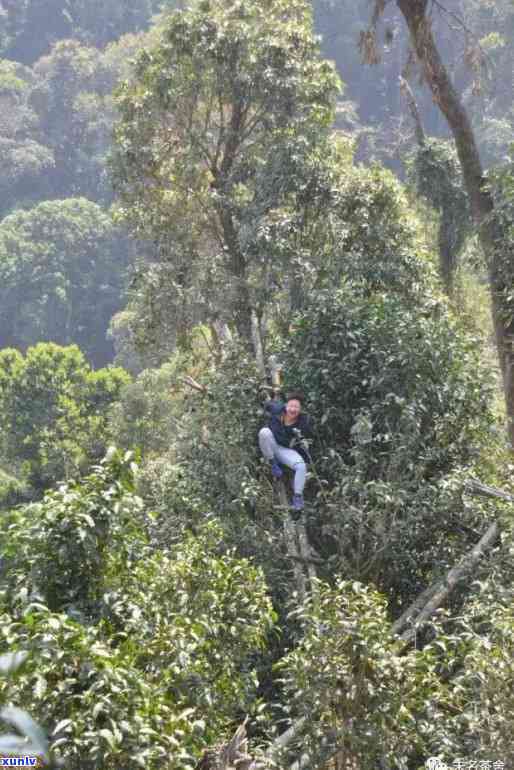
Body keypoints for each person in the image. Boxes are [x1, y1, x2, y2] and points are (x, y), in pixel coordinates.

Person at [258, 391, 312, 511]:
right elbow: (267, 404)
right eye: (291, 406)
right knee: (264, 432)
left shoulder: (303, 422)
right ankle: (273, 464)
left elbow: (303, 443)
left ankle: (297, 497)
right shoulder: (277, 409)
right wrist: (263, 398)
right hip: (271, 445)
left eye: (296, 407)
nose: (293, 409)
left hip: (286, 450)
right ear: (286, 406)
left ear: (300, 409)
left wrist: (306, 460)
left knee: (301, 466)